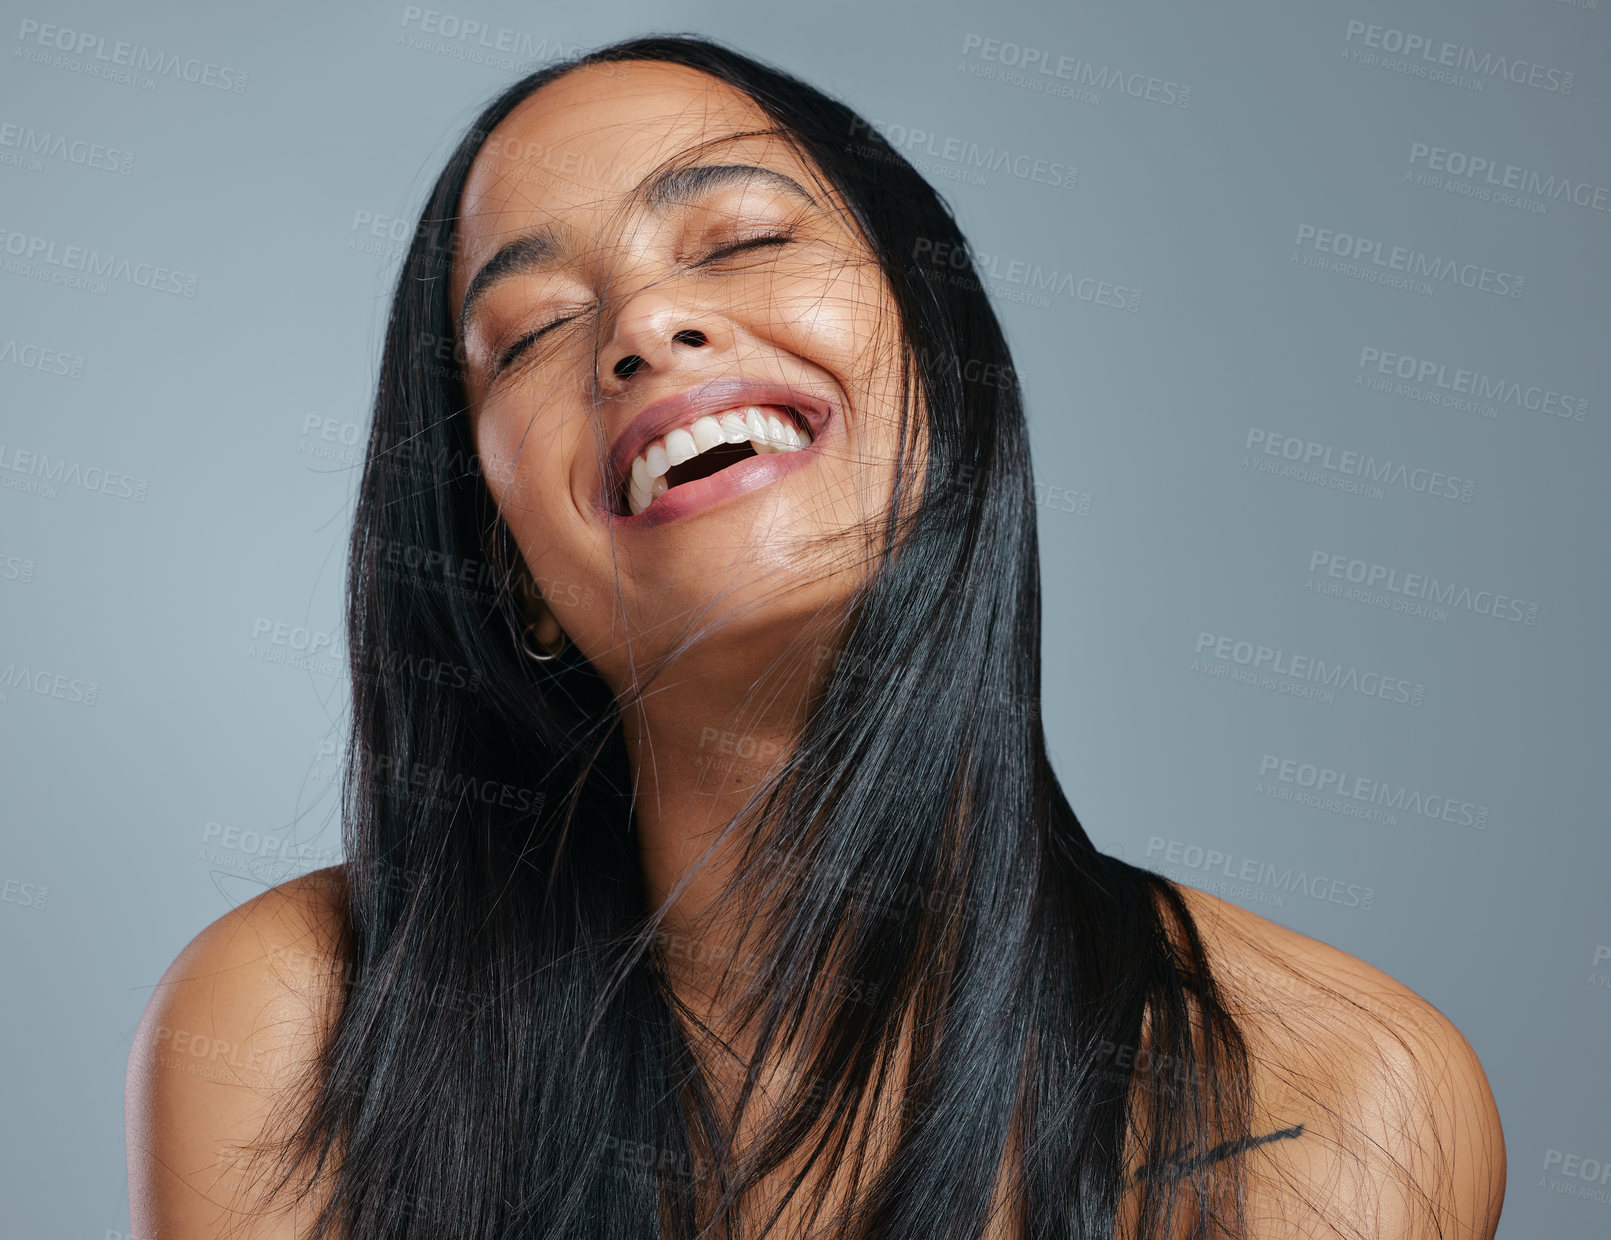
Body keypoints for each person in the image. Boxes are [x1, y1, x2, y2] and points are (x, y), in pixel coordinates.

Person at [125, 35, 1505, 1240]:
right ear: (518, 577)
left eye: (742, 239)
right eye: (534, 329)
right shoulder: (296, 1032)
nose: (647, 326)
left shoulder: (1336, 1092)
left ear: (947, 379)